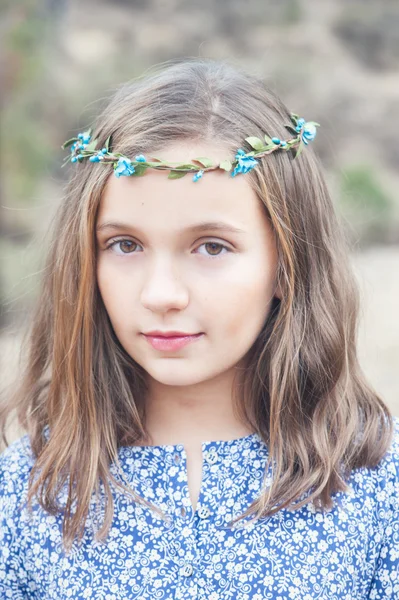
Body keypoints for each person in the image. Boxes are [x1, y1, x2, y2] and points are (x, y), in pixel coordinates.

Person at [0, 57, 398, 600]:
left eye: (211, 246)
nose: (161, 294)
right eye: (125, 245)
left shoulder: (378, 484)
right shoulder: (26, 493)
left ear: (285, 264)